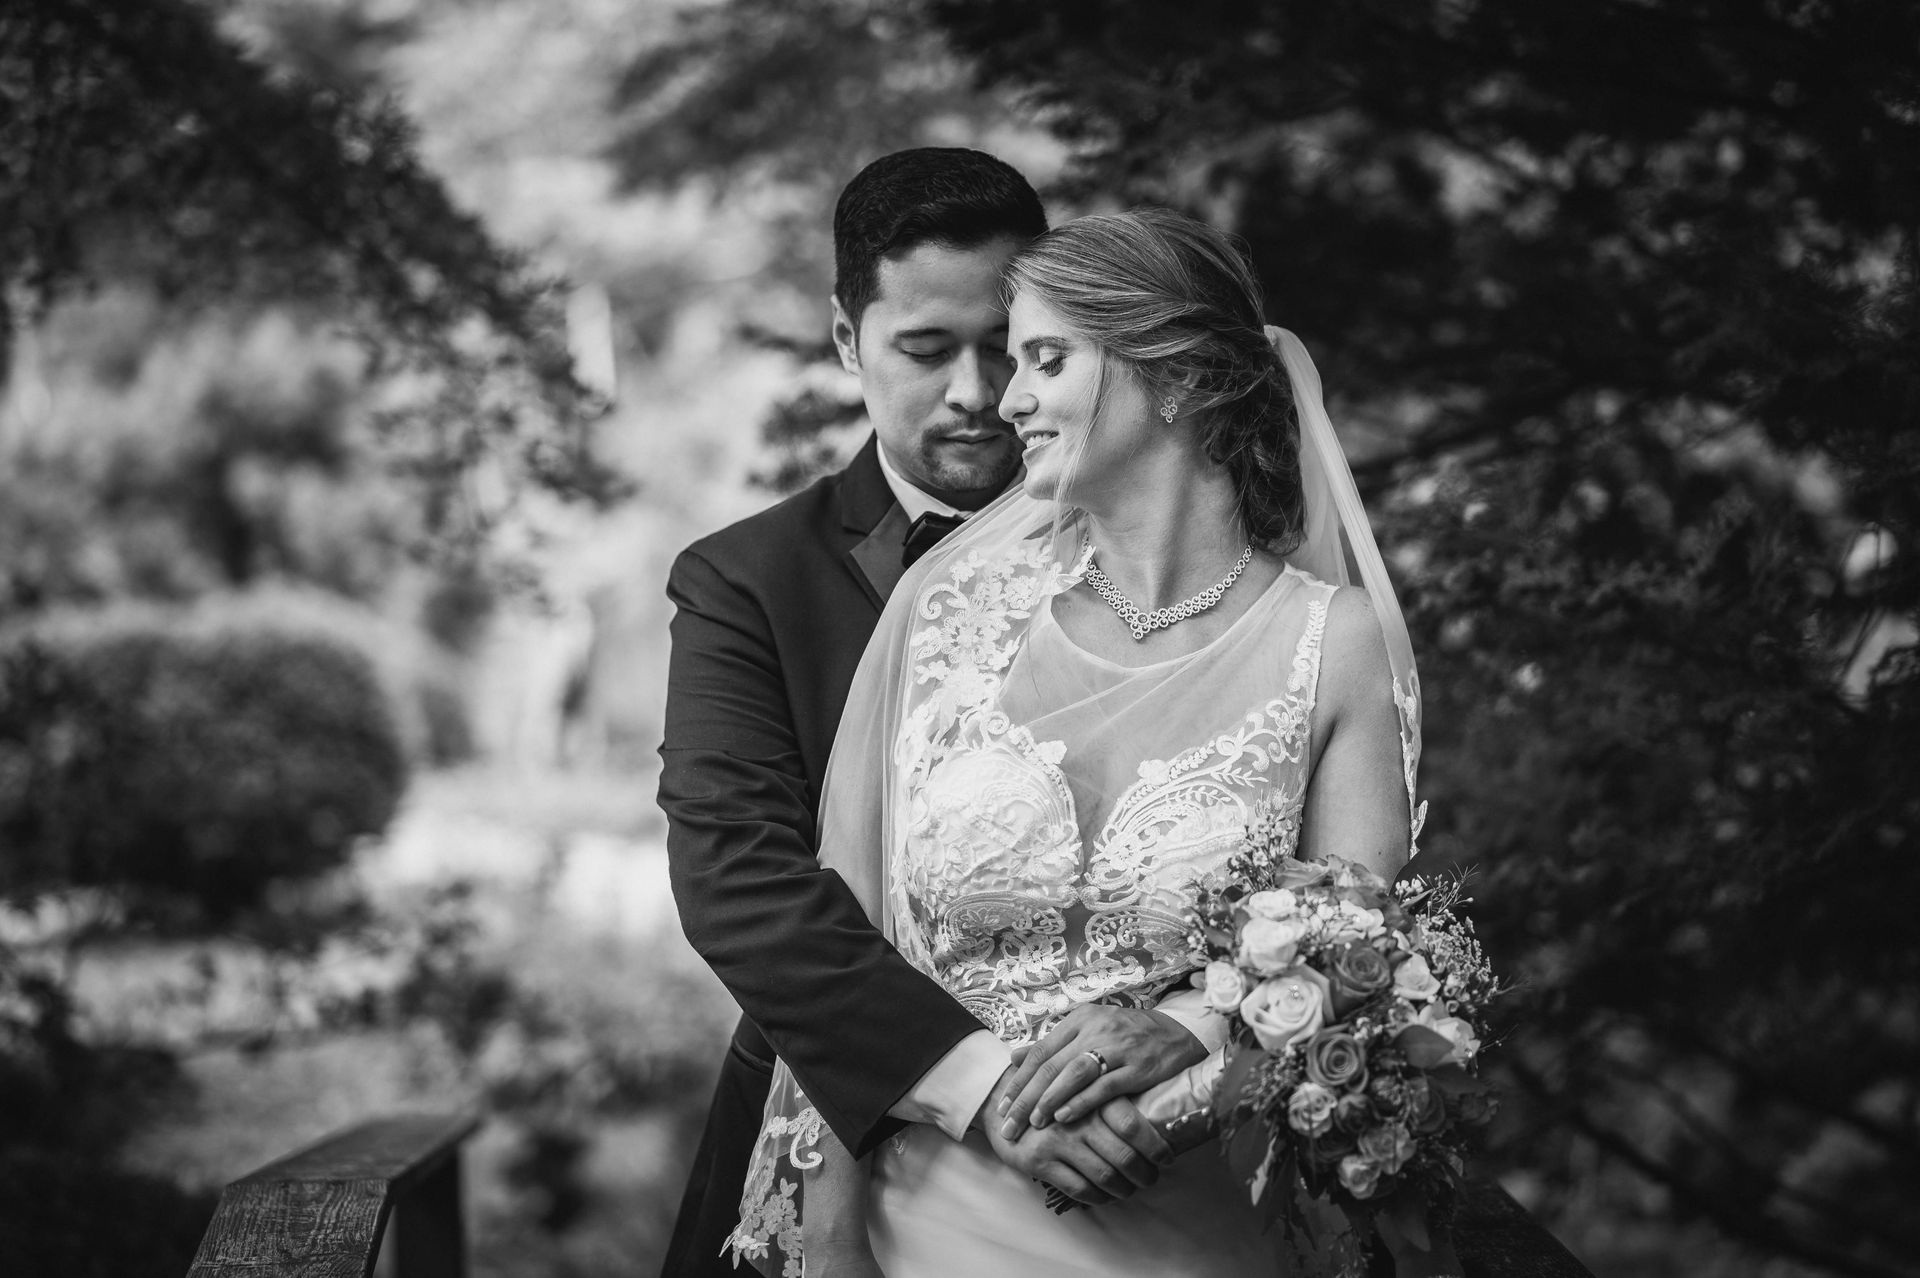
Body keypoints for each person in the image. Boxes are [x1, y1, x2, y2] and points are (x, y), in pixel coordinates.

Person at [729, 207, 1426, 1276]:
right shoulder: (950, 616)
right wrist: (829, 1242)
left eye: (1047, 361)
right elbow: (845, 932)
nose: (1007, 400)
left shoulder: (1332, 643)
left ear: (1180, 377)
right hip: (928, 1217)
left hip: (1193, 1218)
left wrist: (1196, 1036)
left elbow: (1354, 960)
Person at [660, 153, 1209, 1278]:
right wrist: (987, 1088)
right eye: (924, 349)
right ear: (844, 335)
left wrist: (1199, 1032)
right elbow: (739, 880)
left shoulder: (1189, 570)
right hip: (849, 1131)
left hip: (1166, 1147)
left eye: (1007, 346)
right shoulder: (744, 582)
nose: (974, 391)